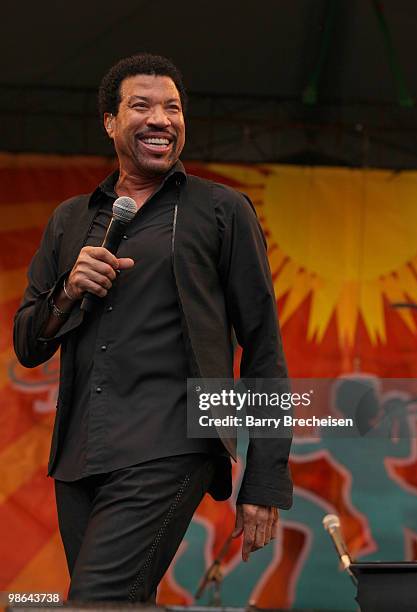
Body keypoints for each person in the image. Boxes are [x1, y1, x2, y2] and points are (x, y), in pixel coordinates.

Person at [13, 53, 292, 603]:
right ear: (111, 123)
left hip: (173, 439)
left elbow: (264, 349)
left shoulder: (220, 211)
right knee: (117, 601)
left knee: (97, 600)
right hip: (78, 456)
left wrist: (265, 480)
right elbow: (28, 343)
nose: (161, 118)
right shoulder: (72, 219)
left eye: (173, 108)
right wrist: (68, 290)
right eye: (141, 106)